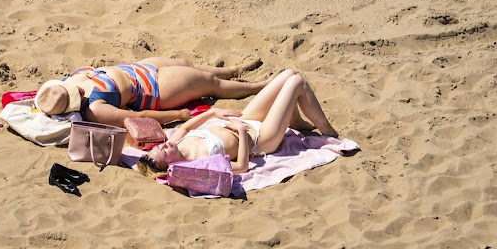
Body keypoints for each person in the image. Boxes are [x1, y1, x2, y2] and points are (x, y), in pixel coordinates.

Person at [137, 69, 339, 175]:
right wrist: (242, 132)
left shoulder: (178, 144)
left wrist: (213, 112)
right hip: (260, 138)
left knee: (288, 74)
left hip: (246, 120)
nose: (166, 144)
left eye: (161, 146)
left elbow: (185, 126)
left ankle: (294, 121)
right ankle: (328, 131)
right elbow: (241, 166)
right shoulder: (199, 164)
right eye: (165, 151)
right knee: (297, 82)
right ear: (172, 164)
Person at [35, 57, 268, 127]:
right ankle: (256, 88)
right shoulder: (95, 109)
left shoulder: (63, 84)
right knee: (208, 83)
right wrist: (179, 115)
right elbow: (138, 118)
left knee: (185, 63)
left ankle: (232, 69)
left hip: (135, 68)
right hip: (154, 88)